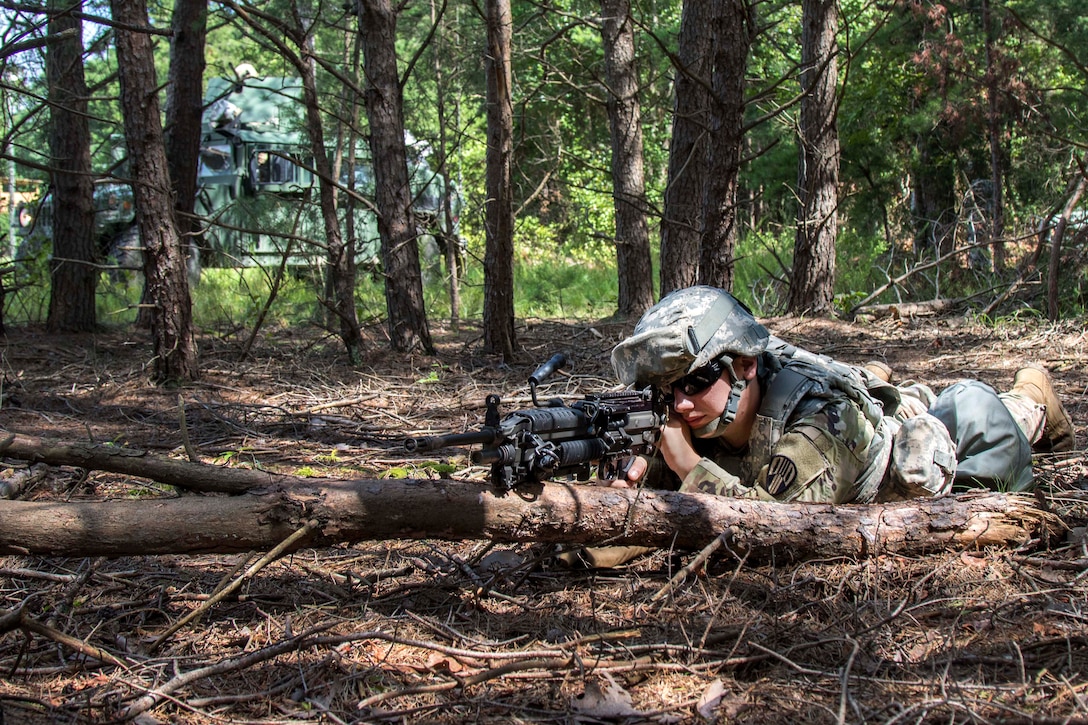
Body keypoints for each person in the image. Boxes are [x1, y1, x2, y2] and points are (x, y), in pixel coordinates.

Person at [609, 285, 1076, 505]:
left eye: (693, 383)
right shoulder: (695, 412)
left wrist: (687, 465)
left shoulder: (819, 420)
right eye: (665, 391)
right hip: (848, 414)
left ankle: (1033, 394)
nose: (679, 404)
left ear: (745, 365)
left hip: (875, 448)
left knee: (957, 421)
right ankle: (877, 376)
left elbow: (766, 525)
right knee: (888, 392)